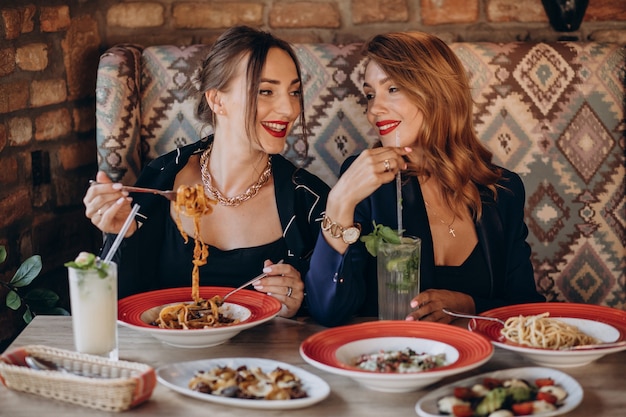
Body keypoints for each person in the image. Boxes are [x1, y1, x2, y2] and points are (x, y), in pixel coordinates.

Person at [83, 25, 329, 318]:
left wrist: (302, 301)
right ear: (216, 100)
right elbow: (118, 307)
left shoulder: (310, 200)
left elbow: (340, 307)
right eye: (265, 91)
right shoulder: (162, 178)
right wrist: (120, 234)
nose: (289, 109)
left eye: (295, 92)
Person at [305, 31, 545, 327]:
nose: (373, 110)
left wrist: (468, 305)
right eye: (369, 95)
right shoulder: (367, 181)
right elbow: (328, 310)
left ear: (437, 92)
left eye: (392, 89)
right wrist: (340, 201)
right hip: (391, 363)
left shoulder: (503, 191)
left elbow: (526, 310)